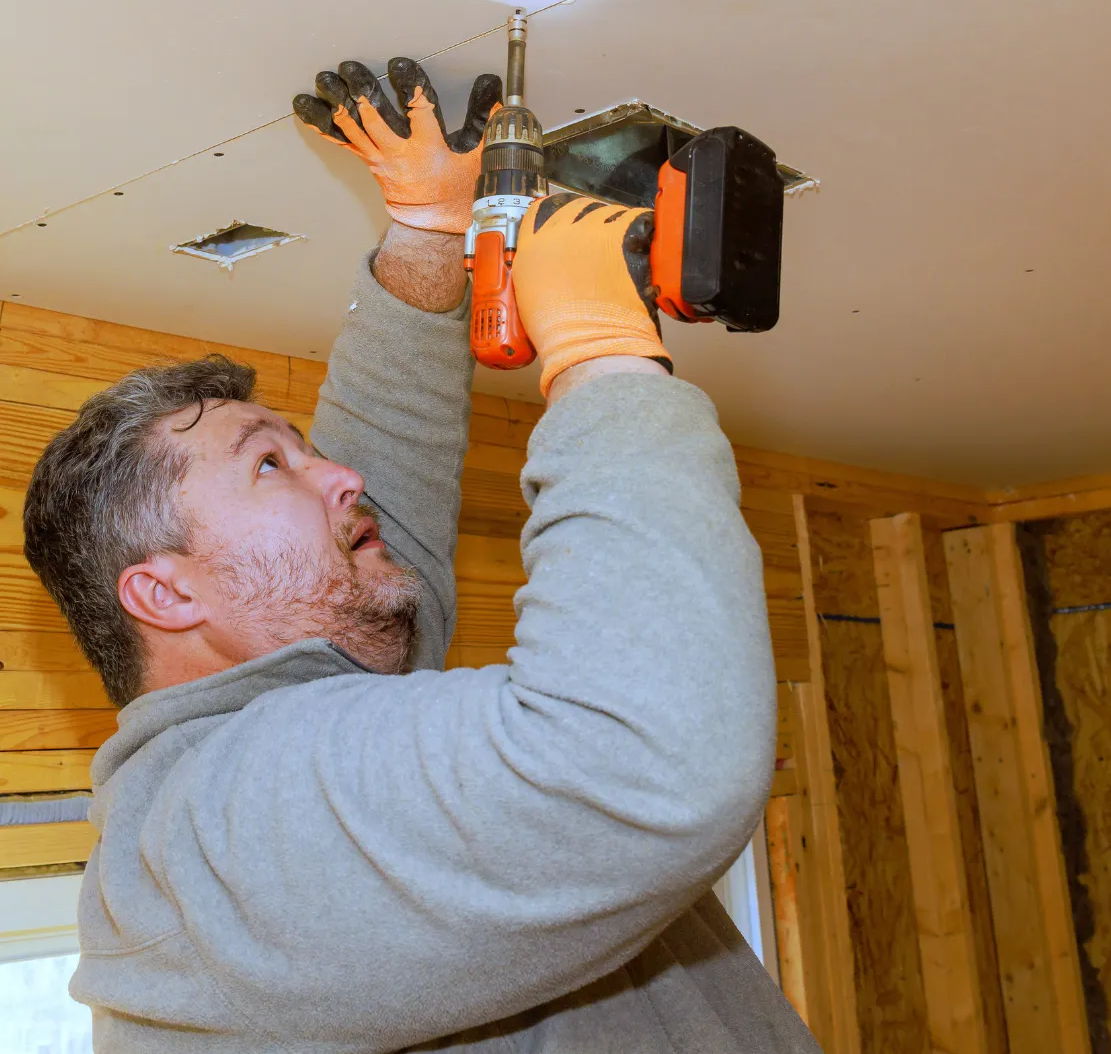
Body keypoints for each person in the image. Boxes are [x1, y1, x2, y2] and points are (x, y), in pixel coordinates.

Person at [23, 56, 820, 1053]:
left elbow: (373, 548)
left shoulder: (257, 761)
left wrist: (433, 236)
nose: (341, 475)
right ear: (167, 592)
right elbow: (640, 757)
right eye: (270, 464)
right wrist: (599, 354)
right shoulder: (233, 827)